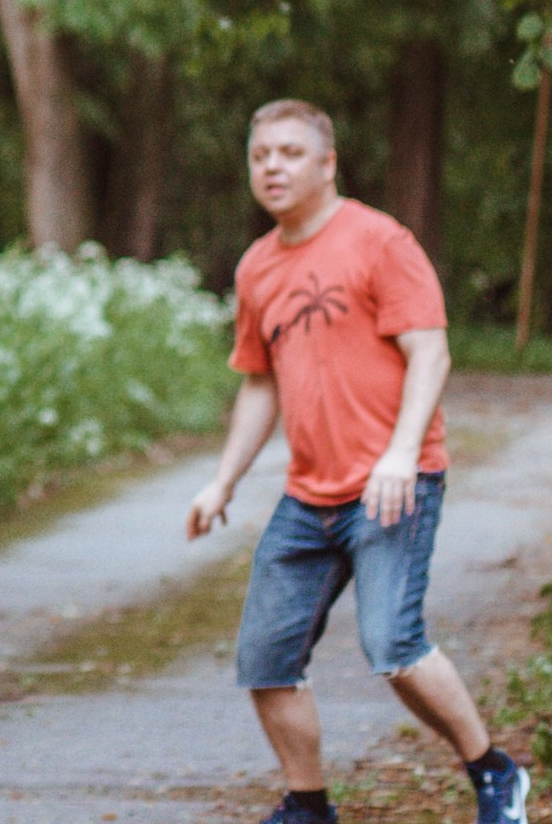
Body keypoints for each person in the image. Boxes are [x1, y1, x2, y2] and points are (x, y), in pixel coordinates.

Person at [187, 99, 528, 824]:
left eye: (290, 153)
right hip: (308, 495)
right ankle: (308, 805)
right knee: (266, 659)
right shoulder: (257, 268)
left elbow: (430, 352)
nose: (272, 167)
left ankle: (495, 772)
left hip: (394, 484)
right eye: (260, 155)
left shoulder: (380, 241)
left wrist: (400, 454)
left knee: (393, 646)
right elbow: (260, 383)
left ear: (327, 163)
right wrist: (223, 481)